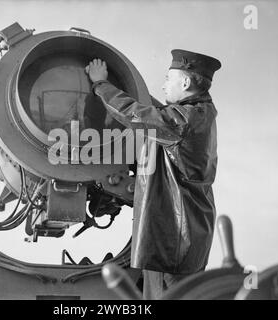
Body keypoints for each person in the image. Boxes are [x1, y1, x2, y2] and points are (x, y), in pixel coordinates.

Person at [85, 49, 221, 299]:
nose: (163, 85)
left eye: (168, 79)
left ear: (186, 82)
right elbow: (153, 114)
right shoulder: (197, 113)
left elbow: (137, 115)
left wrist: (100, 84)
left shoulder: (185, 121)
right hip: (184, 239)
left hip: (172, 243)